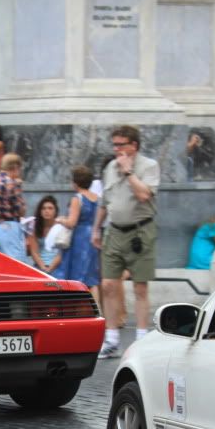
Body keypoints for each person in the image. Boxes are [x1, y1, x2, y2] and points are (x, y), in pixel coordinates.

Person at [92, 125, 161, 359]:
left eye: (121, 144)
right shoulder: (110, 167)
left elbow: (143, 195)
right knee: (109, 284)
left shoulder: (149, 166)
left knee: (140, 286)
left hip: (140, 232)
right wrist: (96, 229)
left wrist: (129, 173)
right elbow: (104, 201)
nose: (116, 149)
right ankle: (111, 339)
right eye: (114, 145)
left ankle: (142, 338)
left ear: (134, 145)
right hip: (114, 230)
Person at [53, 165, 101, 304]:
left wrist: (61, 220)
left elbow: (72, 222)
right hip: (93, 237)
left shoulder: (77, 198)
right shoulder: (96, 198)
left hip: (79, 240)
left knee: (76, 277)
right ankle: (97, 310)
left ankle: (78, 310)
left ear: (75, 182)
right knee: (91, 279)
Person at [27, 196, 63, 274]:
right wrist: (43, 268)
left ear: (55, 211)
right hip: (39, 266)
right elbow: (34, 252)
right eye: (43, 208)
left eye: (50, 208)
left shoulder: (61, 226)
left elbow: (61, 253)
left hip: (58, 266)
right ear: (40, 211)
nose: (47, 211)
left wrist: (50, 269)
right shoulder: (34, 226)